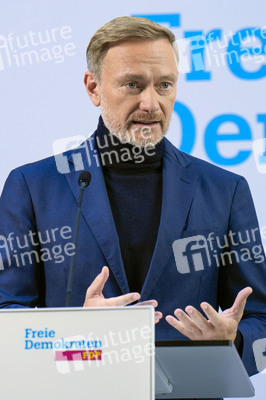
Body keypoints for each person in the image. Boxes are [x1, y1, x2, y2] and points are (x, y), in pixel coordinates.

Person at [0, 16, 265, 386]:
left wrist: (233, 340)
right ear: (93, 88)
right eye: (132, 85)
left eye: (165, 85)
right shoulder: (31, 186)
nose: (151, 103)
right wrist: (75, 336)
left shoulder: (225, 189)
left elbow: (261, 320)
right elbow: (6, 317)